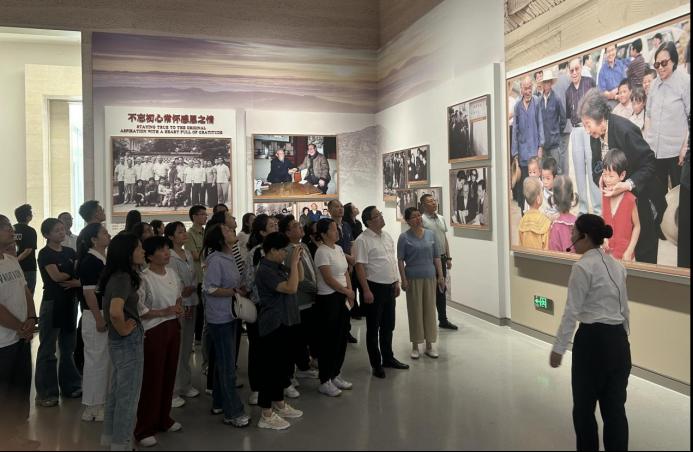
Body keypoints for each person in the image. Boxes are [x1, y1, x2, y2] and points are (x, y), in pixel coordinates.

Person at [550, 214, 630, 452]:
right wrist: (623, 338)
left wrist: (558, 348)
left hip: (591, 344)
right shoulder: (618, 266)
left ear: (584, 237)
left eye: (574, 232)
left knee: (584, 410)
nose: (571, 236)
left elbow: (571, 311)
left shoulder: (582, 267)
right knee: (615, 411)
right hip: (618, 343)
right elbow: (624, 308)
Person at [579, 88, 662, 264]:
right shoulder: (595, 134)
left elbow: (649, 163)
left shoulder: (625, 130)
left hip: (641, 196)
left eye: (588, 124)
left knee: (644, 250)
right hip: (616, 202)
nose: (586, 130)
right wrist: (602, 178)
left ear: (601, 118)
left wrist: (627, 184)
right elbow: (596, 165)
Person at [134, 237, 184, 447]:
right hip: (153, 330)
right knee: (152, 379)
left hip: (173, 327)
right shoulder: (143, 278)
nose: (166, 253)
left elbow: (178, 296)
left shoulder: (172, 273)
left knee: (169, 374)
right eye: (161, 250)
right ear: (149, 255)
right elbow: (140, 310)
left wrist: (178, 307)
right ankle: (144, 428)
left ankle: (164, 418)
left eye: (167, 249)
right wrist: (164, 311)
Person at [201, 223, 251, 428]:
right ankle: (233, 412)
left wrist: (238, 289)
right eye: (227, 230)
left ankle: (219, 402)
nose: (232, 230)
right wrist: (233, 292)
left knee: (224, 362)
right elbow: (210, 288)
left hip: (230, 314)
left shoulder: (229, 256)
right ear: (221, 239)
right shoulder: (215, 260)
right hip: (219, 318)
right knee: (227, 366)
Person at [99, 233, 145, 451]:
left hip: (119, 341)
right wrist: (125, 329)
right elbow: (115, 312)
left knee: (118, 392)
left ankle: (111, 439)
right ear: (127, 253)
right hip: (127, 342)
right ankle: (122, 443)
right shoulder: (122, 278)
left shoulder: (117, 276)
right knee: (128, 395)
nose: (143, 251)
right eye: (139, 248)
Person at [254, 232, 304, 430]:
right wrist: (293, 262)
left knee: (282, 367)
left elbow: (299, 278)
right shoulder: (265, 270)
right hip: (273, 324)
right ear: (272, 250)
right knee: (270, 369)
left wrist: (297, 261)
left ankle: (279, 403)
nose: (285, 253)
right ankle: (266, 414)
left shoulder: (278, 266)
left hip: (286, 321)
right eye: (283, 250)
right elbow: (291, 288)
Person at [353, 206, 409, 379]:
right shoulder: (362, 240)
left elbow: (391, 261)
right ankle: (376, 364)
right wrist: (366, 290)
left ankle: (388, 358)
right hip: (374, 288)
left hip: (389, 287)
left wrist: (396, 281)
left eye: (380, 214)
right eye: (377, 215)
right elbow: (359, 266)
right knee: (373, 328)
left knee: (388, 325)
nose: (381, 217)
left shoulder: (387, 236)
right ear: (369, 221)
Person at [0, 214, 40, 450]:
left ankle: (14, 436)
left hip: (20, 338)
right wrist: (19, 327)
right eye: (6, 227)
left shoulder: (11, 260)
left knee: (19, 390)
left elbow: (25, 291)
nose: (11, 231)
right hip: (3, 342)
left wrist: (31, 319)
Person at [35, 218, 82, 407]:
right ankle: (46, 393)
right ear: (46, 235)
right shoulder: (45, 253)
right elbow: (56, 277)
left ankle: (70, 386)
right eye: (57, 230)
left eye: (62, 229)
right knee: (48, 349)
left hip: (70, 302)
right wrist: (70, 272)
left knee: (68, 347)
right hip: (52, 303)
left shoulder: (70, 251)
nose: (62, 233)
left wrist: (67, 273)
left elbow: (76, 273)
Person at [313, 218, 354, 397]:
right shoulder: (322, 252)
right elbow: (328, 279)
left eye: (337, 228)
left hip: (342, 296)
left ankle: (335, 374)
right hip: (329, 299)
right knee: (328, 340)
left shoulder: (338, 249)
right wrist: (346, 291)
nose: (337, 231)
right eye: (332, 229)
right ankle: (325, 380)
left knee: (341, 337)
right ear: (323, 234)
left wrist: (350, 292)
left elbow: (345, 272)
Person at [397, 207, 444, 360]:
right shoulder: (404, 237)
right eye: (414, 217)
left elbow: (436, 257)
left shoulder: (430, 234)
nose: (418, 219)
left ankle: (429, 345)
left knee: (429, 311)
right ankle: (415, 345)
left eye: (419, 216)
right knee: (415, 311)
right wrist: (403, 279)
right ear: (408, 220)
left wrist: (440, 276)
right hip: (412, 278)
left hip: (429, 276)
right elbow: (400, 260)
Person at [279, 215, 320, 387]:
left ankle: (303, 366)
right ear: (287, 233)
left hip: (310, 299)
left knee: (305, 336)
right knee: (296, 338)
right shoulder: (287, 251)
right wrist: (316, 288)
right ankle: (290, 374)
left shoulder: (304, 246)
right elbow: (297, 279)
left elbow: (312, 269)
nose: (300, 226)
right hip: (299, 300)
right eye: (295, 226)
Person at [76, 223, 111, 422]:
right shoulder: (90, 261)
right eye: (104, 233)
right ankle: (92, 406)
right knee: (95, 361)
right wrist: (99, 319)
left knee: (103, 360)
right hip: (95, 314)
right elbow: (89, 293)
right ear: (93, 239)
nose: (108, 235)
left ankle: (101, 402)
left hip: (104, 312)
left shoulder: (102, 258)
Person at [645, 41, 690, 193]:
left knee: (679, 194)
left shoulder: (685, 82)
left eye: (664, 63)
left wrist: (685, 148)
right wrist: (648, 141)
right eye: (657, 65)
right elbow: (648, 115)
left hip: (677, 153)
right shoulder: (653, 85)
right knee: (660, 195)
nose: (660, 68)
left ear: (674, 61)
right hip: (656, 151)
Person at [165, 222, 200, 402]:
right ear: (171, 237)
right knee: (177, 348)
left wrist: (191, 288)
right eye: (180, 232)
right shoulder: (170, 256)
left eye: (184, 231)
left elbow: (194, 277)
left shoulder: (187, 254)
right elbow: (174, 282)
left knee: (186, 346)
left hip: (191, 301)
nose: (184, 234)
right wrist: (184, 291)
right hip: (179, 304)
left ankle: (185, 384)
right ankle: (173, 390)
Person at [566, 57, 600, 216]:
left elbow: (598, 103)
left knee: (593, 168)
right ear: (568, 71)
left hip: (590, 128)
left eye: (576, 69)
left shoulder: (589, 83)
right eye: (571, 70)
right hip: (576, 130)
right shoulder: (568, 92)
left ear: (581, 68)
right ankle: (583, 208)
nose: (574, 73)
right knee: (579, 170)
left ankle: (598, 209)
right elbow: (568, 114)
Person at [420, 194, 457, 330]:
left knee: (441, 289)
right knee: (430, 291)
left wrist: (448, 257)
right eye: (430, 201)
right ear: (424, 205)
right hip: (429, 260)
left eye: (434, 200)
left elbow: (444, 238)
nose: (434, 203)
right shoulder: (421, 220)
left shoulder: (441, 218)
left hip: (441, 258)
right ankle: (427, 321)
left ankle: (443, 320)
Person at [512, 76, 545, 213]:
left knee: (536, 185)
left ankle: (538, 213)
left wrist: (540, 146)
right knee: (524, 186)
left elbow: (540, 124)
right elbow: (514, 131)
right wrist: (515, 155)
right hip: (522, 153)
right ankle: (524, 214)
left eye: (529, 88)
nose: (528, 91)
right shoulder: (517, 106)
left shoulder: (537, 102)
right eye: (525, 88)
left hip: (534, 152)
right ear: (521, 89)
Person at [601, 149, 641, 261]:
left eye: (611, 176)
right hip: (607, 255)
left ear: (622, 175)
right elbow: (603, 220)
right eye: (604, 175)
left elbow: (637, 226)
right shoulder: (604, 195)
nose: (607, 180)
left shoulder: (630, 199)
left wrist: (629, 251)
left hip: (625, 257)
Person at [185, 205, 207, 344]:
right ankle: (198, 337)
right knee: (199, 309)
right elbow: (195, 256)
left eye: (205, 214)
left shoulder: (206, 232)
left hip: (208, 276)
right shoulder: (189, 234)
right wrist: (208, 248)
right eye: (202, 214)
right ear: (194, 217)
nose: (205, 216)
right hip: (199, 277)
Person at [539, 69, 567, 174]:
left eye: (548, 82)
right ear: (542, 84)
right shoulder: (539, 101)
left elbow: (563, 119)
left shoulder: (557, 99)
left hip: (554, 143)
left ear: (551, 83)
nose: (546, 84)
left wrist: (557, 132)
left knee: (556, 171)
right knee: (545, 171)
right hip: (543, 144)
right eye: (544, 82)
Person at [518, 177, 551, 250]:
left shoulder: (522, 221)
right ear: (538, 199)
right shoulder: (546, 222)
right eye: (542, 191)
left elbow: (520, 246)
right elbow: (547, 249)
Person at [548, 175, 578, 253]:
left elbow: (553, 253)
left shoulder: (554, 226)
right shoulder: (579, 223)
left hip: (560, 260)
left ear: (554, 199)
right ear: (572, 197)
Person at [13, 204, 38, 295]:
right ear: (28, 217)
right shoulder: (30, 230)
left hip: (12, 267)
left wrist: (12, 262)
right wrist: (16, 261)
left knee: (15, 294)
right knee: (28, 295)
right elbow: (28, 250)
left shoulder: (11, 229)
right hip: (28, 267)